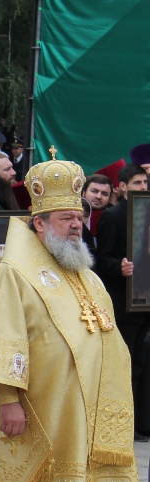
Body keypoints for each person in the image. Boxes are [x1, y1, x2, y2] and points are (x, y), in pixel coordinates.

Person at [0, 150, 147, 482]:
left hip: (88, 413)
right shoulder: (12, 273)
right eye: (66, 218)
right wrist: (8, 400)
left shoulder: (85, 273)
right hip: (40, 409)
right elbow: (1, 339)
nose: (76, 225)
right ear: (39, 223)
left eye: (79, 217)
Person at [96, 164, 148, 439]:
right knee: (123, 364)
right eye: (138, 183)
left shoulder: (146, 214)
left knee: (139, 363)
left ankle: (136, 422)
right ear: (123, 187)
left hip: (145, 300)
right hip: (123, 301)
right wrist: (120, 267)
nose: (143, 187)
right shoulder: (113, 216)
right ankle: (119, 424)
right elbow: (102, 259)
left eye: (145, 183)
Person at [82, 173, 112, 245]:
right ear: (83, 193)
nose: (99, 197)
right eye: (94, 191)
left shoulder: (112, 220)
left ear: (110, 198)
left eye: (104, 194)